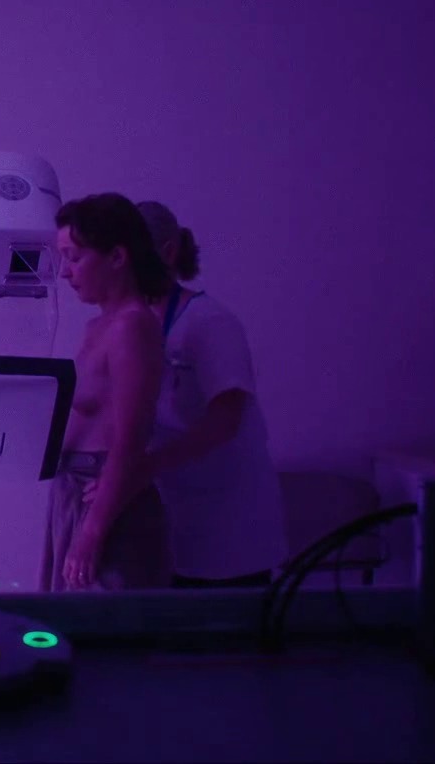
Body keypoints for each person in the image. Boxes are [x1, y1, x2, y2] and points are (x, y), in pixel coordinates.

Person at [133, 201, 287, 589]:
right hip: (178, 511)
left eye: (130, 255)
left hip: (230, 521)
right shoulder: (139, 323)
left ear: (168, 252)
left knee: (223, 619)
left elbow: (225, 419)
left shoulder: (210, 322)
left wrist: (148, 466)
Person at [41, 193, 173, 591]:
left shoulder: (132, 326)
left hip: (104, 501)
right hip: (74, 494)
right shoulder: (98, 327)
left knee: (101, 620)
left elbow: (130, 440)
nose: (66, 273)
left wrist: (91, 533)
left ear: (116, 257)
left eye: (74, 257)